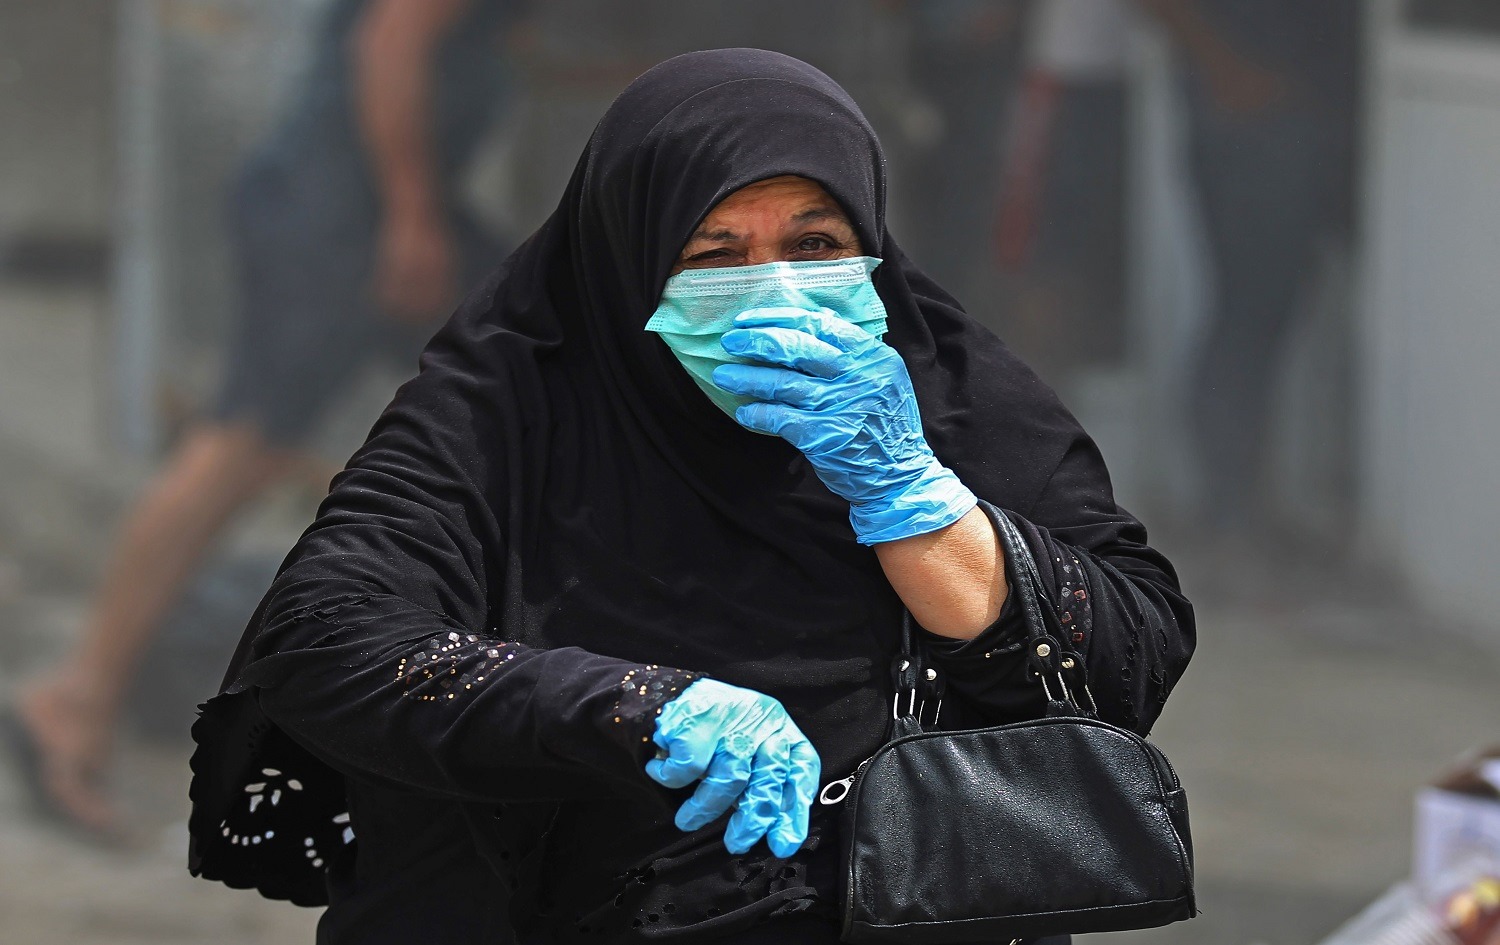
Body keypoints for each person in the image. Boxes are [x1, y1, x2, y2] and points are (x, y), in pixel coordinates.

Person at [185, 49, 1194, 945]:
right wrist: (624, 708)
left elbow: (1124, 665)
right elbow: (326, 639)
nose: (776, 293)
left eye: (814, 245)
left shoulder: (948, 395)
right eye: (714, 255)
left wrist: (913, 496)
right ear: (628, 263)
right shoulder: (507, 412)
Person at [7, 0, 522, 835]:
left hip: (346, 207)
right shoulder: (383, 202)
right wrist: (412, 217)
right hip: (344, 220)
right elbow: (389, 42)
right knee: (239, 449)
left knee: (525, 382)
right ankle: (76, 695)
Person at [1135, 0, 1360, 533]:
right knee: (1248, 312)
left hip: (1302, 122)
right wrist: (1228, 70)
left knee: (1272, 309)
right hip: (1246, 127)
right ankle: (1227, 504)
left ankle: (1242, 500)